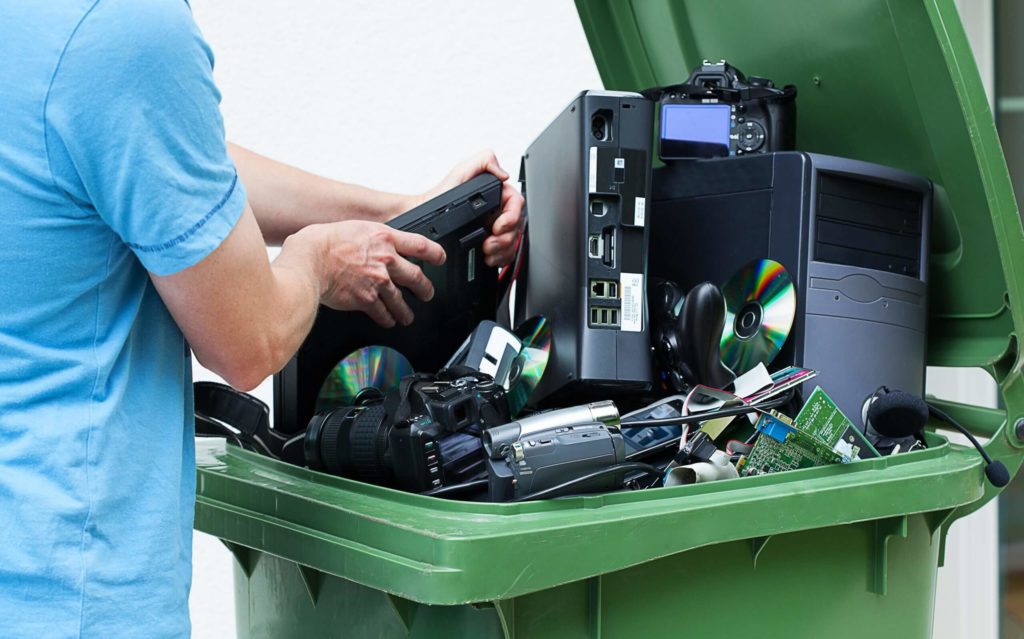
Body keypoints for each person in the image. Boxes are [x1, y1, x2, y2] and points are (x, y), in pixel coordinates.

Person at [0, 1, 524, 637]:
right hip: (76, 601)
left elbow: (165, 159)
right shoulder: (119, 24)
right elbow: (250, 339)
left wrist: (404, 212)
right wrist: (314, 266)